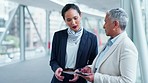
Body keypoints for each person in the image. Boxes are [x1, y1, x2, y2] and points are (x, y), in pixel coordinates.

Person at [78, 8, 138, 83]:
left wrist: (96, 78)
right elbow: (104, 67)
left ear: (115, 24)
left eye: (106, 22)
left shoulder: (127, 46)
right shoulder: (110, 43)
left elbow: (128, 81)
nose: (103, 26)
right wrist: (91, 68)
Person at [49, 3, 98, 83]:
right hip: (59, 79)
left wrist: (80, 72)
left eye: (75, 18)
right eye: (68, 20)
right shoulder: (58, 36)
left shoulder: (92, 38)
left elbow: (93, 63)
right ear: (64, 20)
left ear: (80, 15)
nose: (73, 22)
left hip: (80, 79)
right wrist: (56, 69)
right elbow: (53, 60)